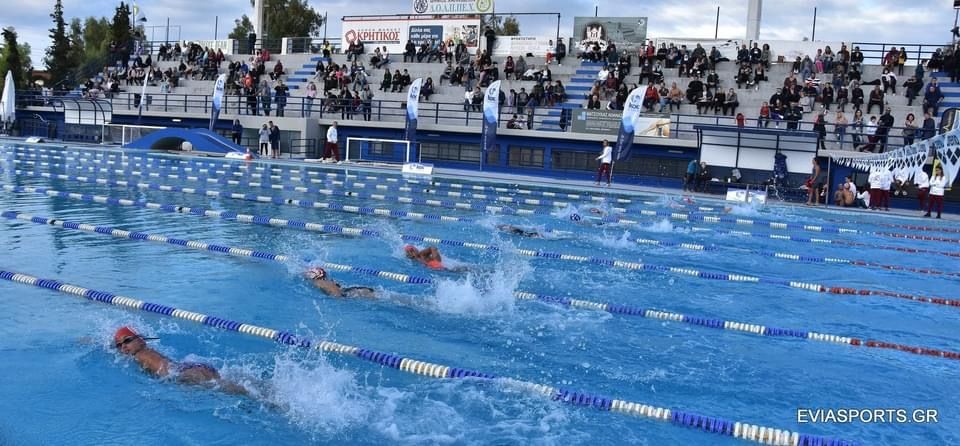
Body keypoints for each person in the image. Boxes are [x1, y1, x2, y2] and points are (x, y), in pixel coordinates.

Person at [113, 326, 249, 395]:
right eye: (119, 345)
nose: (123, 346)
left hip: (183, 374)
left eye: (127, 340)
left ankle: (259, 397)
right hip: (187, 367)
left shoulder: (139, 354)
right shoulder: (146, 351)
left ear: (141, 339)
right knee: (232, 383)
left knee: (229, 388)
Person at [304, 267, 375, 298]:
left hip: (343, 295)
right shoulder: (328, 281)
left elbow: (336, 293)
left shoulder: (319, 282)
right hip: (347, 291)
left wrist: (340, 299)